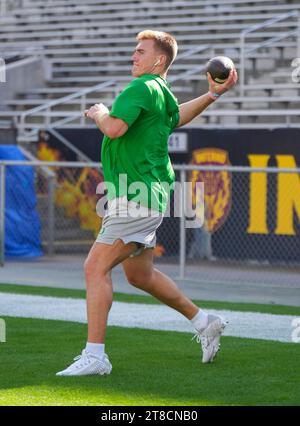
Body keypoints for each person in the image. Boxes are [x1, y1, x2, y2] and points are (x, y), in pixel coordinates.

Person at [56, 30, 237, 376]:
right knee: (140, 275)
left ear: (159, 60)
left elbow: (114, 129)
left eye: (140, 52)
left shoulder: (141, 88)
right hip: (147, 193)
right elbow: (177, 118)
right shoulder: (161, 91)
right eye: (134, 51)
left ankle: (95, 356)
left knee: (95, 268)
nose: (133, 57)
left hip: (135, 193)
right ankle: (204, 321)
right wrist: (212, 95)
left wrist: (98, 112)